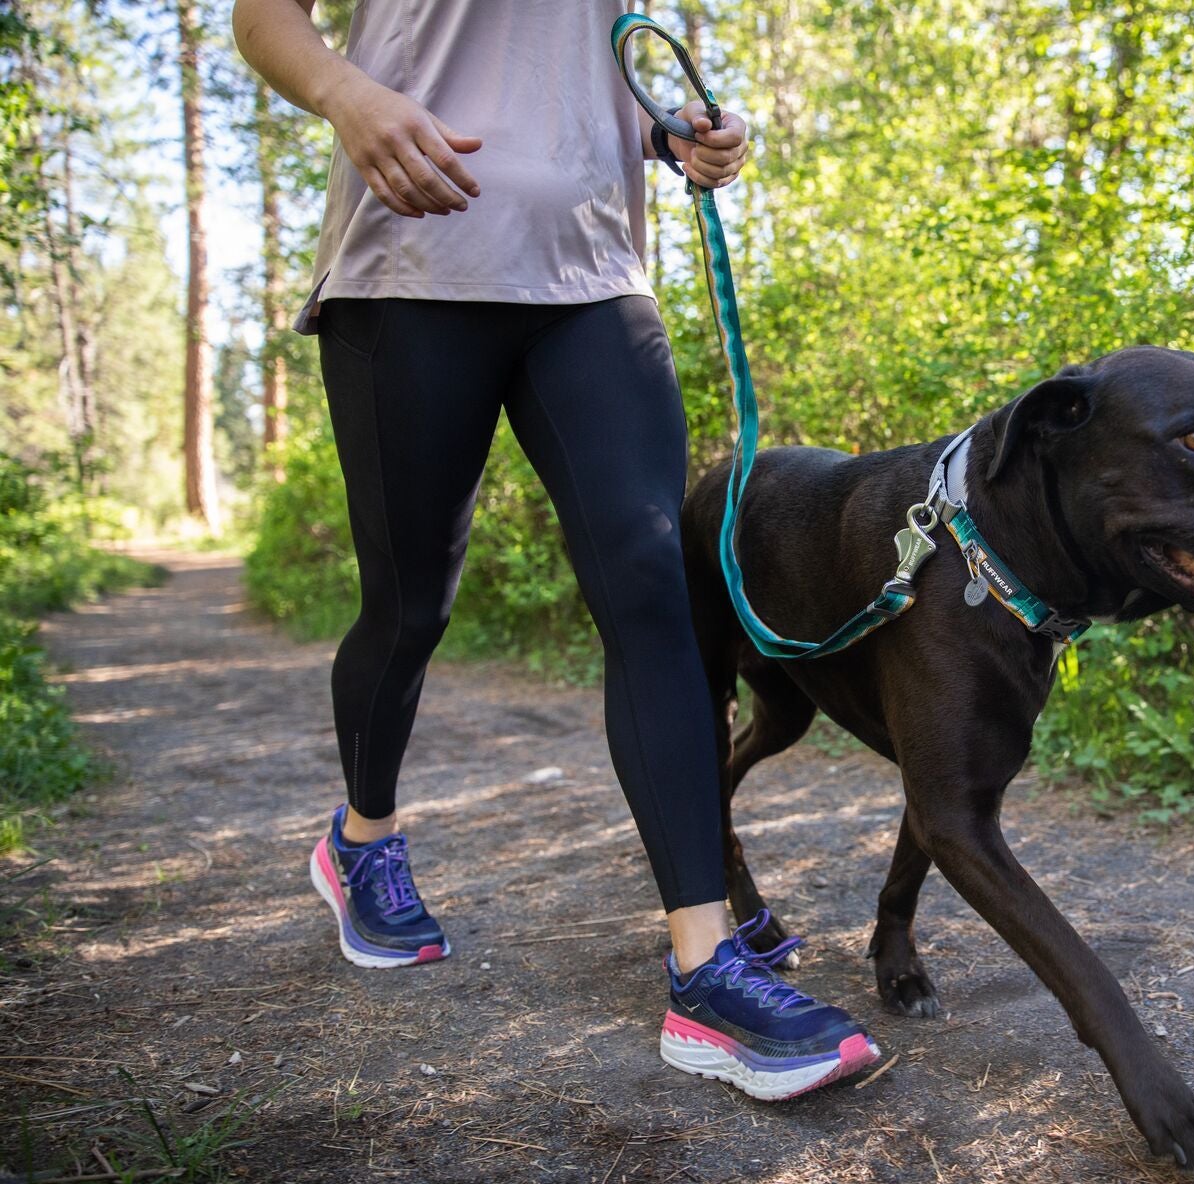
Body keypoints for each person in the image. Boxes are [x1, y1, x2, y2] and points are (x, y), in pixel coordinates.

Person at [232, 0, 879, 1101]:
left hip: (591, 278)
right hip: (412, 259)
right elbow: (262, 15)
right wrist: (349, 95)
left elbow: (574, 80)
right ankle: (360, 839)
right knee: (411, 604)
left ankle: (706, 970)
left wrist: (671, 130)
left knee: (651, 590)